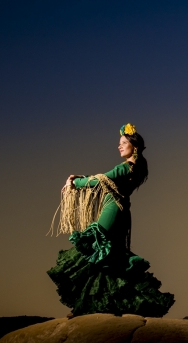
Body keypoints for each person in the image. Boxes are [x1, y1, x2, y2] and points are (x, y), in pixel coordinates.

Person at [47, 123, 174, 318]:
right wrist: (83, 177)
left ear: (135, 146)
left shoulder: (126, 167)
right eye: (119, 143)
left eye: (123, 142)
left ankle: (86, 305)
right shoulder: (139, 166)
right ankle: (108, 303)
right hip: (122, 212)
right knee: (109, 256)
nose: (119, 146)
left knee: (95, 249)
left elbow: (101, 180)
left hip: (113, 209)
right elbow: (103, 179)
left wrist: (74, 182)